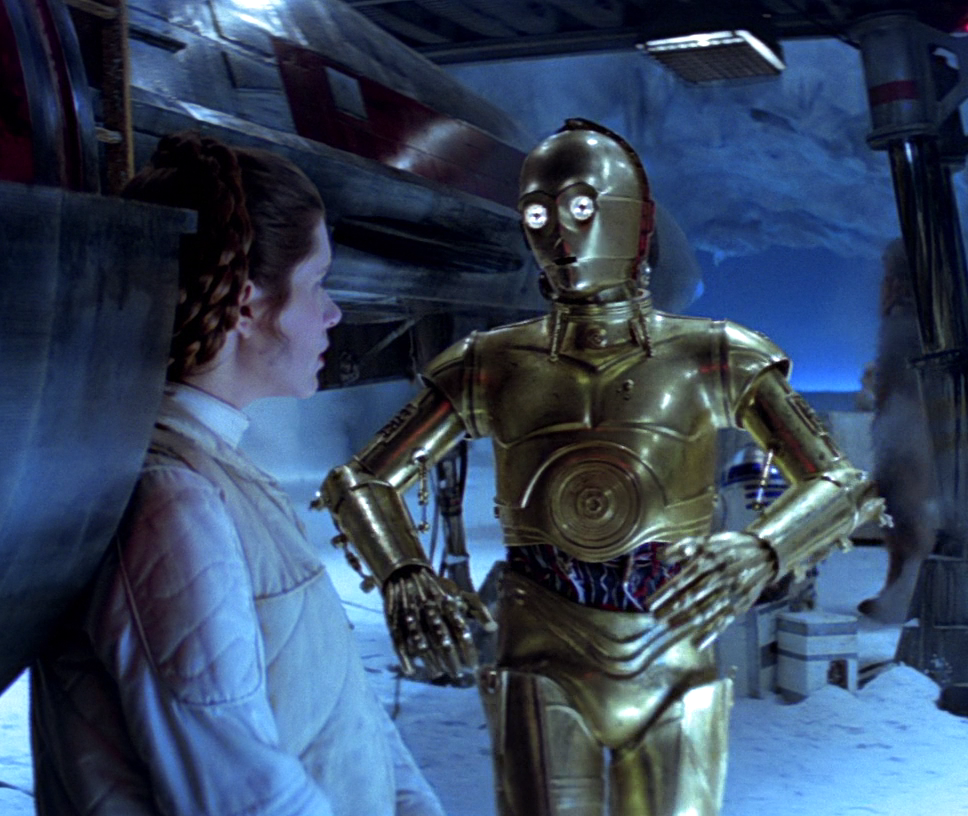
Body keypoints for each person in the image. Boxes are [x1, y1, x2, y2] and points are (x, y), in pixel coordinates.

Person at [319, 119, 884, 816]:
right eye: (538, 216)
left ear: (631, 218)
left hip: (673, 648)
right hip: (540, 647)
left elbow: (841, 482)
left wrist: (763, 548)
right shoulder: (488, 364)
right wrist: (404, 571)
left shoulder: (715, 355)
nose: (560, 236)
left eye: (581, 209)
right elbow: (362, 479)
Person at [29, 132, 444, 816]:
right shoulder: (173, 502)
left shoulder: (216, 475)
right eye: (318, 282)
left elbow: (344, 714)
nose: (334, 313)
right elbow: (241, 795)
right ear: (248, 306)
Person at [857, 239, 943, 623]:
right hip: (899, 430)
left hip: (910, 435)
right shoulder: (906, 321)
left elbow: (910, 386)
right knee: (896, 506)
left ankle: (906, 594)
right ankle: (898, 589)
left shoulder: (909, 323)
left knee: (906, 508)